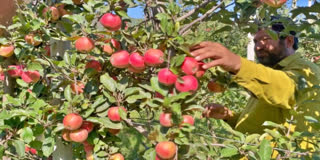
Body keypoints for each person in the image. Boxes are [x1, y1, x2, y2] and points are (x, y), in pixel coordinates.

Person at [191, 21, 320, 138]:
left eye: (265, 39)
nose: (258, 47)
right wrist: (228, 116)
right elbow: (263, 119)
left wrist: (237, 64)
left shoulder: (307, 70)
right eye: (256, 41)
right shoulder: (270, 73)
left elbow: (286, 89)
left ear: (289, 41)